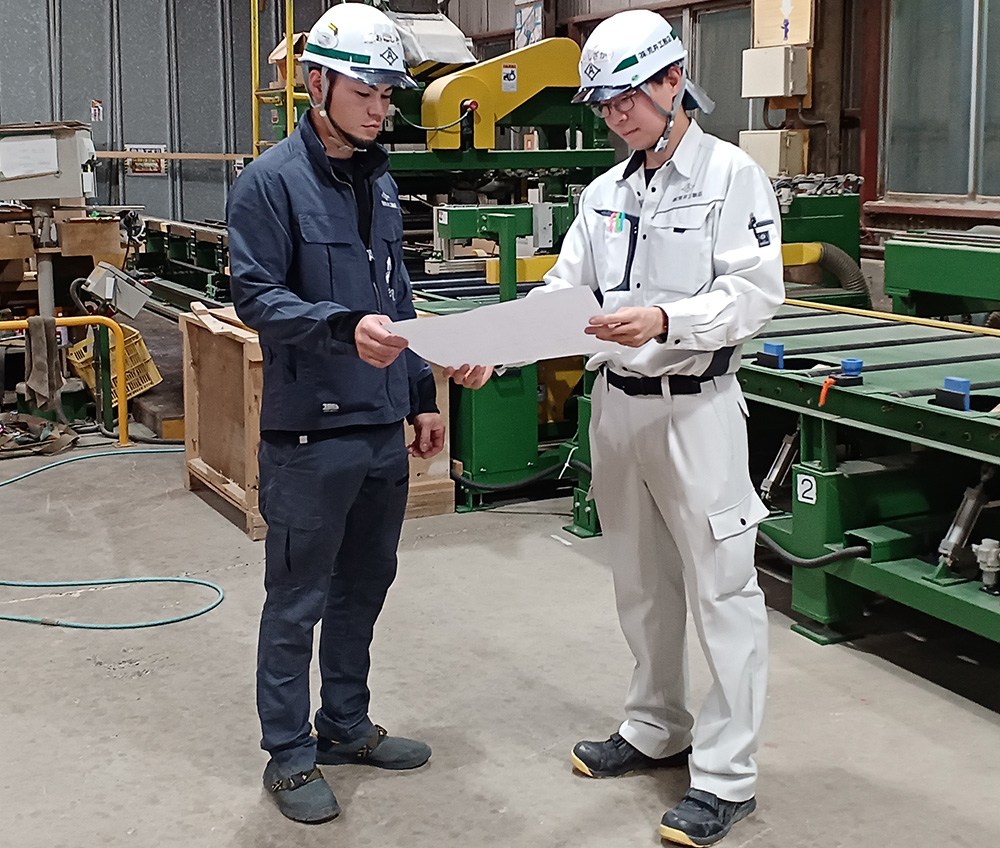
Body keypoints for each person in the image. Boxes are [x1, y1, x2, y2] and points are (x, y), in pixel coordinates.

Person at [227, 3, 490, 825]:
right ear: (318, 85)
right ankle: (287, 754)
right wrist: (342, 327)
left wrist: (420, 397)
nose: (381, 109)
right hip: (310, 435)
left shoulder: (378, 179)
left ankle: (343, 725)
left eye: (388, 94)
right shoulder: (270, 182)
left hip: (378, 429)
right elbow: (255, 297)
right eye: (366, 92)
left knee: (365, 586)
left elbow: (396, 297)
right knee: (297, 598)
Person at [538, 10, 784, 846]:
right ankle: (654, 726)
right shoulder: (604, 194)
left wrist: (666, 320)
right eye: (604, 106)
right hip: (618, 410)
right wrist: (497, 346)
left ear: (673, 81)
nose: (617, 118)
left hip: (697, 410)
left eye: (627, 99)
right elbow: (565, 291)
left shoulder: (732, 177)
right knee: (641, 583)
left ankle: (727, 776)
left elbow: (754, 294)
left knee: (723, 593)